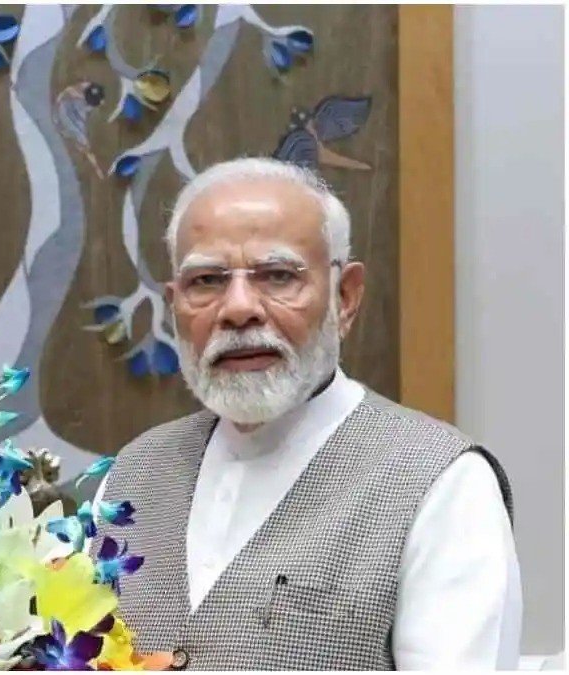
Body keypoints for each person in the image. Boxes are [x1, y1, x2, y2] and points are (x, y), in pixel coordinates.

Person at [94, 157, 521, 670]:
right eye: (206, 280)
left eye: (278, 276)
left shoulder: (443, 484)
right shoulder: (132, 473)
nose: (238, 309)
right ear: (174, 304)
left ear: (345, 297)